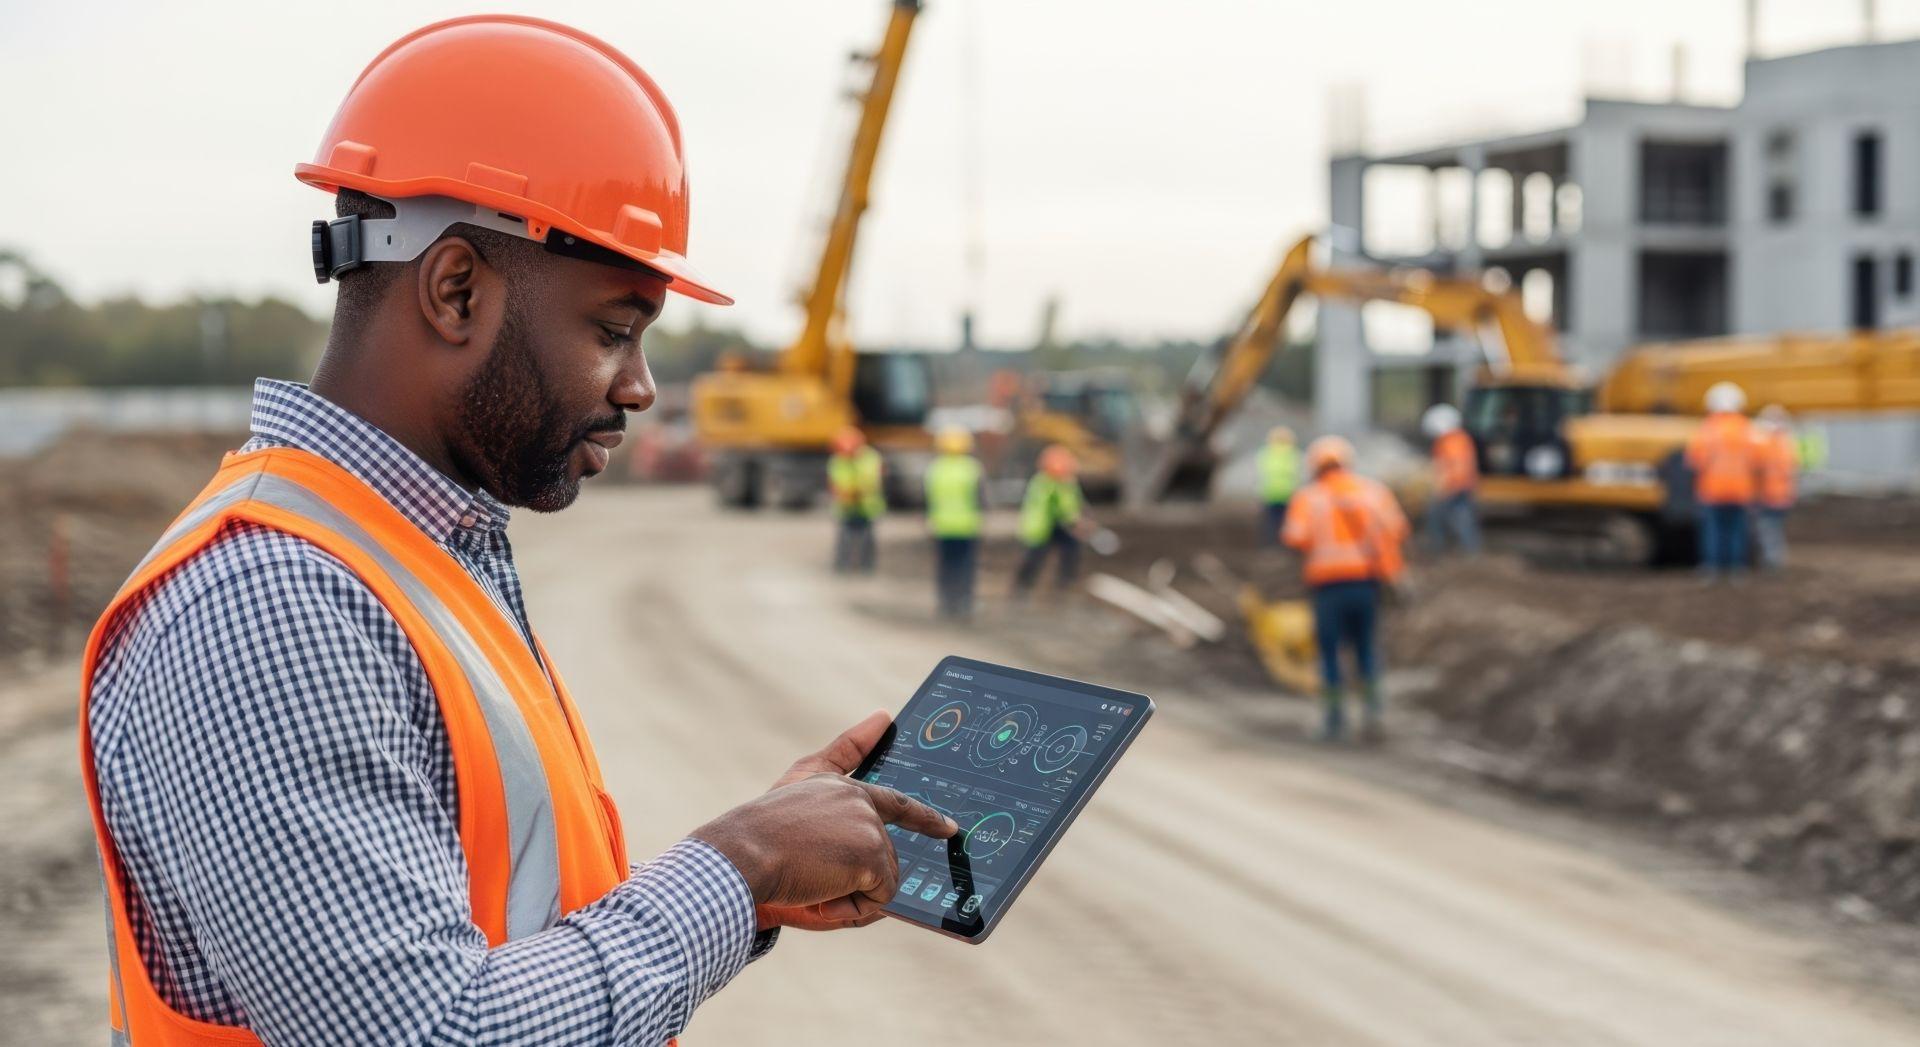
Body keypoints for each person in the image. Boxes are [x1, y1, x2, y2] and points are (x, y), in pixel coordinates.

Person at [78, 18, 956, 1046]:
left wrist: (760, 878)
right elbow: (429, 1033)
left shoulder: (415, 558)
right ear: (456, 290)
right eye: (612, 331)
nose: (641, 387)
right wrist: (738, 864)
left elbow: (503, 935)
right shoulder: (273, 602)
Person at [1283, 436, 1410, 742]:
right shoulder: (1374, 492)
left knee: (1329, 652)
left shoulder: (1309, 497)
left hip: (1328, 588)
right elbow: (1398, 530)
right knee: (1366, 647)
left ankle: (1334, 720)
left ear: (1315, 465)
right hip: (1367, 584)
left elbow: (1294, 537)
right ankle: (1373, 714)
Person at [1686, 381, 1757, 580]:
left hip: (1713, 491)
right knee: (1736, 531)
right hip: (1741, 491)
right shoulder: (1747, 429)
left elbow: (1695, 460)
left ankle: (1712, 568)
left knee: (1713, 532)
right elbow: (1757, 461)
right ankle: (1736, 569)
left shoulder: (1708, 429)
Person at [924, 427, 985, 619]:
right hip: (966, 525)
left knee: (945, 565)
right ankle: (964, 602)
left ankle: (945, 602)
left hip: (942, 526)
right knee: (965, 566)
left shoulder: (935, 469)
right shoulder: (972, 468)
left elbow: (929, 498)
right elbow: (980, 498)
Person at [1013, 445, 1087, 595]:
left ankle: (1064, 586)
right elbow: (1051, 505)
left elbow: (1073, 504)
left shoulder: (1067, 483)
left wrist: (1076, 520)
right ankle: (1022, 588)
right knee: (1034, 558)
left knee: (1071, 552)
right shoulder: (1041, 483)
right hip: (1043, 526)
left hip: (1062, 525)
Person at [1420, 403, 1481, 555]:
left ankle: (1442, 550)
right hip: (1461, 485)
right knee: (1461, 518)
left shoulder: (1450, 442)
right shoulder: (1459, 438)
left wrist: (1443, 488)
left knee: (1443, 517)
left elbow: (1453, 467)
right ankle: (1467, 550)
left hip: (1455, 486)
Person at [826, 425, 884, 572]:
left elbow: (872, 481)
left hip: (866, 506)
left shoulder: (870, 458)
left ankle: (867, 567)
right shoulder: (837, 461)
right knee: (844, 539)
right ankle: (842, 566)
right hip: (846, 506)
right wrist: (843, 493)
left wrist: (855, 491)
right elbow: (835, 482)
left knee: (866, 540)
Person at [1752, 404, 1799, 570]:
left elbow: (1758, 468)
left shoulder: (1765, 443)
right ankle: (1775, 559)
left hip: (1768, 495)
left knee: (1767, 529)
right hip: (1782, 496)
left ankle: (1771, 561)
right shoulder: (1787, 442)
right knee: (1775, 529)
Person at [1257, 425, 1301, 544]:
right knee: (1286, 522)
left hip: (1270, 493)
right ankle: (1285, 543)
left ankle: (1271, 543)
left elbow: (1262, 471)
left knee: (1271, 522)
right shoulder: (1292, 454)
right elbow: (1295, 472)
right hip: (1287, 493)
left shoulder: (1266, 453)